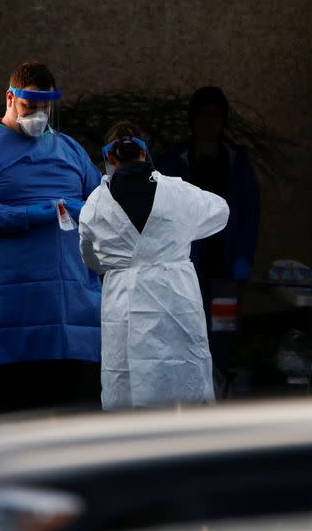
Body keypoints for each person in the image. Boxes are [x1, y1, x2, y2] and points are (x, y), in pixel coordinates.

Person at [0, 61, 102, 415]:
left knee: (61, 419)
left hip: (67, 312)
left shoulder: (70, 150)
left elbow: (102, 208)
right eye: (30, 107)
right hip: (7, 313)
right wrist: (27, 216)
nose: (38, 115)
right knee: (5, 413)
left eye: (45, 107)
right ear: (10, 98)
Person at [79, 121, 230, 410]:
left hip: (123, 302)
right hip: (175, 299)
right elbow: (220, 212)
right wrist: (179, 233)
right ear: (144, 154)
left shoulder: (96, 204)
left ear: (110, 157)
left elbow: (90, 258)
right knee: (183, 393)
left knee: (128, 404)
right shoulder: (178, 193)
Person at [158, 87, 260, 389]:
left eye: (216, 116)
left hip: (226, 265)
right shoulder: (175, 160)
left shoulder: (236, 160)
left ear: (223, 121)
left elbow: (250, 213)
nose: (209, 122)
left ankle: (220, 385)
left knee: (223, 329)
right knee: (187, 326)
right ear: (192, 119)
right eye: (203, 115)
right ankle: (189, 389)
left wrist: (244, 257)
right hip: (186, 265)